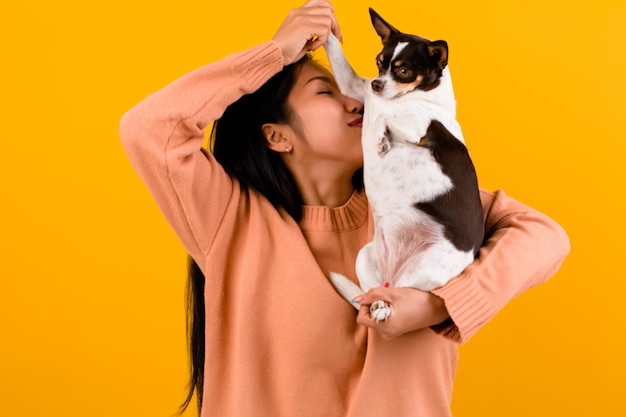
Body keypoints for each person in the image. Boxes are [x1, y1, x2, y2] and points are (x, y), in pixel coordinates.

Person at [119, 1, 570, 416]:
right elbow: (148, 129)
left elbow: (545, 236)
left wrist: (439, 306)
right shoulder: (231, 220)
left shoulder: (417, 201)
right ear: (277, 135)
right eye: (324, 93)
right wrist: (273, 53)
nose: (357, 100)